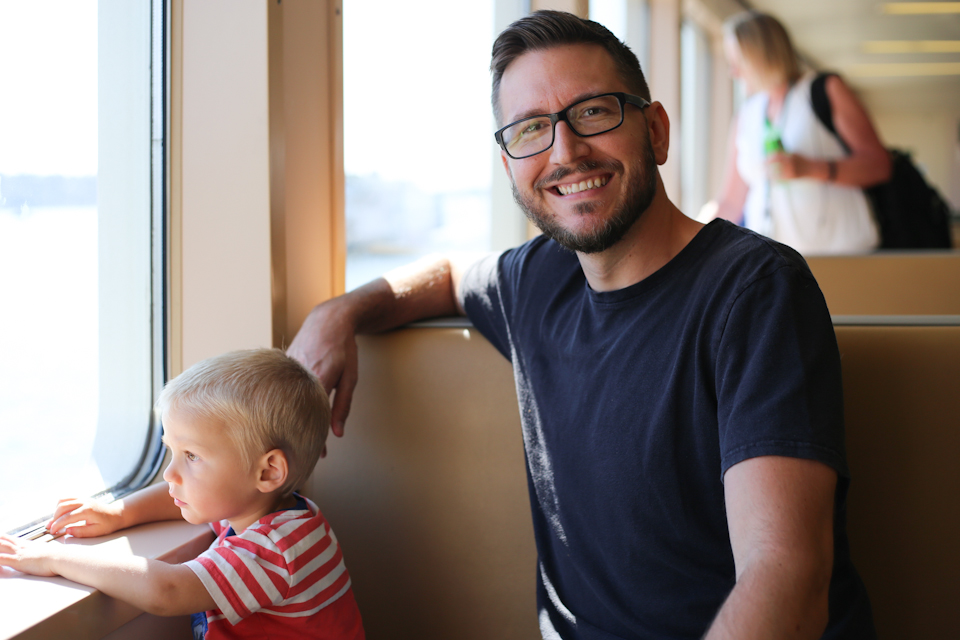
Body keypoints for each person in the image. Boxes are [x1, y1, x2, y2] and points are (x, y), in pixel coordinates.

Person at [288, 10, 875, 639]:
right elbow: (453, 275)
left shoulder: (756, 292)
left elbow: (786, 575)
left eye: (594, 112)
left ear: (656, 131)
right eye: (531, 129)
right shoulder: (540, 278)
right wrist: (339, 311)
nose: (565, 151)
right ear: (509, 164)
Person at [0, 349, 365, 640]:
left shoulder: (274, 551)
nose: (169, 473)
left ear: (268, 472)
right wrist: (118, 514)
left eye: (191, 456)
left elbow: (167, 591)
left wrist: (52, 557)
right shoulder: (270, 511)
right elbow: (180, 496)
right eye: (171, 451)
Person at [711, 11, 891, 255]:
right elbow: (732, 201)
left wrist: (810, 168)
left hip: (841, 255)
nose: (733, 73)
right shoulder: (746, 115)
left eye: (738, 61)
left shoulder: (823, 90)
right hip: (773, 263)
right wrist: (697, 250)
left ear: (764, 53)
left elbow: (879, 165)